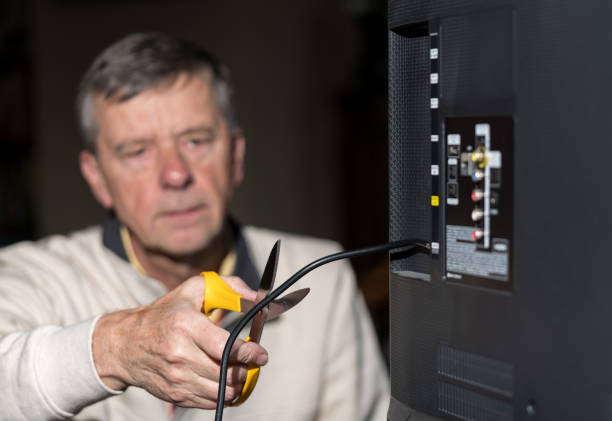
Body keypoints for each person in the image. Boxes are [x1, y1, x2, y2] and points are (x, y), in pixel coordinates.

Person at [0, 32, 389, 420]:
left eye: (196, 141)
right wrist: (117, 347)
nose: (175, 174)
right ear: (97, 177)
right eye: (138, 152)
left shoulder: (322, 274)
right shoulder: (32, 277)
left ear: (235, 156)